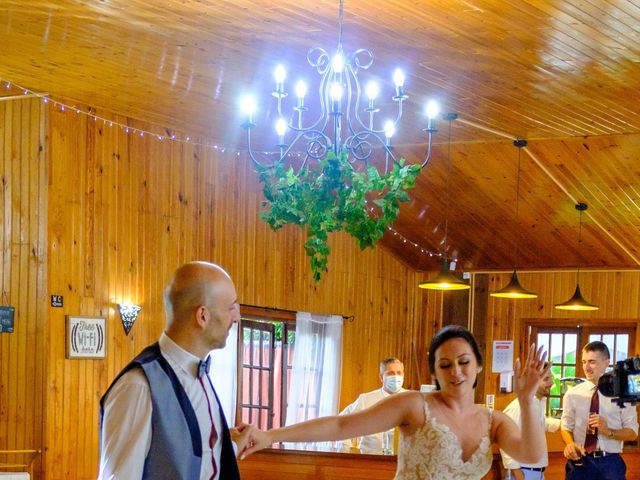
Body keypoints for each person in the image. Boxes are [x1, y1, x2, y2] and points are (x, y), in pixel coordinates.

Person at [240, 325, 551, 479]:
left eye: (464, 362)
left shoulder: (492, 420)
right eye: (445, 365)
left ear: (478, 366)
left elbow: (533, 455)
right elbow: (341, 425)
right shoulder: (415, 405)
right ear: (434, 371)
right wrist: (271, 436)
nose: (456, 372)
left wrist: (526, 400)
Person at [98, 261, 249, 480]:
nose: (236, 317)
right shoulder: (139, 386)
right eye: (231, 308)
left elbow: (190, 463)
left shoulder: (201, 374)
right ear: (203, 316)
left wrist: (229, 445)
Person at [561, 341, 638, 480]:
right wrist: (570, 444)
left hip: (610, 464)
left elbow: (632, 433)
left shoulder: (623, 394)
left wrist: (608, 431)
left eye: (592, 362)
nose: (586, 367)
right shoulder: (572, 394)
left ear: (606, 362)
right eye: (584, 362)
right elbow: (565, 427)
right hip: (579, 463)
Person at [499, 364, 561, 479]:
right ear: (532, 381)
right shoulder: (519, 406)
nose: (552, 383)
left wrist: (564, 424)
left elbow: (541, 424)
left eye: (551, 378)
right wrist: (517, 472)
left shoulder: (536, 404)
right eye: (546, 379)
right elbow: (505, 439)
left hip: (535, 472)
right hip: (524, 472)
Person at [338, 357, 407, 453]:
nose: (396, 377)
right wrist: (345, 450)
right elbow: (342, 422)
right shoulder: (366, 399)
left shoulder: (413, 399)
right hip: (370, 459)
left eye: (399, 373)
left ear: (403, 375)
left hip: (404, 460)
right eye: (390, 373)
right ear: (381, 377)